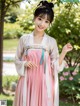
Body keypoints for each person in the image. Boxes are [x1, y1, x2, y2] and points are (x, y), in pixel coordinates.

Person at [13, 1, 73, 106]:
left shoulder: (51, 41)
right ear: (34, 18)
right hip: (27, 82)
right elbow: (17, 59)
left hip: (44, 83)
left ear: (49, 24)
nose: (42, 24)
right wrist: (24, 63)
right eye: (40, 19)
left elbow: (55, 65)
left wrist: (63, 52)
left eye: (46, 21)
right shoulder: (24, 39)